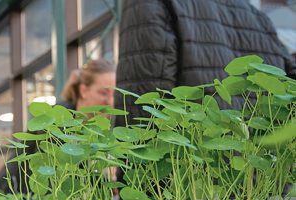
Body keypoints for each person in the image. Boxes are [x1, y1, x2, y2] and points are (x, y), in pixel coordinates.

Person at [114, 0, 296, 126]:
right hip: (265, 178)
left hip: (190, 175)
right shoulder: (259, 18)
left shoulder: (149, 3)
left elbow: (144, 103)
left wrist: (131, 176)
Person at [0, 59, 116, 194]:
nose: (110, 102)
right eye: (103, 93)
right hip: (14, 193)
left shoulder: (98, 127)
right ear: (83, 90)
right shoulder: (57, 119)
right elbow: (65, 172)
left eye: (114, 94)